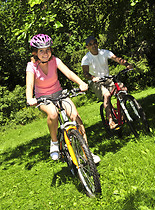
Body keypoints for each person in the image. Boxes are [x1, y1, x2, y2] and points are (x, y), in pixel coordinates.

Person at [26, 34, 100, 163]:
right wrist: (29, 98)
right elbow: (30, 84)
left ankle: (87, 152)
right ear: (35, 52)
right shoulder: (31, 66)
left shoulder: (55, 60)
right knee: (53, 114)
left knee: (75, 116)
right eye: (41, 51)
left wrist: (81, 83)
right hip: (42, 98)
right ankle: (54, 142)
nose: (45, 53)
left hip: (59, 94)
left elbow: (69, 73)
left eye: (48, 49)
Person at [81, 36, 133, 130]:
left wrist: (127, 64)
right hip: (95, 82)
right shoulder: (86, 58)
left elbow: (117, 58)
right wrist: (92, 78)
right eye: (90, 44)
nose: (93, 45)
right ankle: (111, 121)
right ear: (87, 47)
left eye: (95, 43)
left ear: (97, 43)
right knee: (107, 95)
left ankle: (122, 113)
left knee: (123, 89)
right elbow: (85, 73)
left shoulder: (104, 52)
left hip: (107, 78)